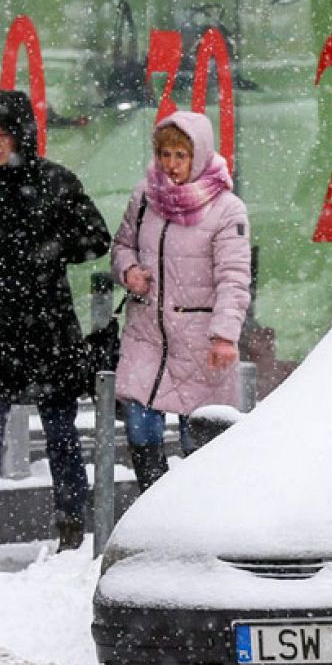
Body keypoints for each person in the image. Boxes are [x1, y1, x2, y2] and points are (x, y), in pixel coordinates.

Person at [0, 89, 111, 564]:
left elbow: (97, 237)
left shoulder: (57, 183)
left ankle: (73, 527)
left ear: (21, 136)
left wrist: (52, 247)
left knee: (61, 433)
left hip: (48, 328)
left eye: (1, 135)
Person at [112, 111, 251, 491]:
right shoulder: (144, 197)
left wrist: (224, 334)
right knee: (141, 428)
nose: (171, 165)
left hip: (199, 339)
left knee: (200, 441)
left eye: (180, 155)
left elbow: (234, 278)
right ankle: (152, 507)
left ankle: (194, 517)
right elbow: (122, 245)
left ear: (199, 154)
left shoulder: (227, 209)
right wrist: (128, 271)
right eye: (165, 155)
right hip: (147, 334)